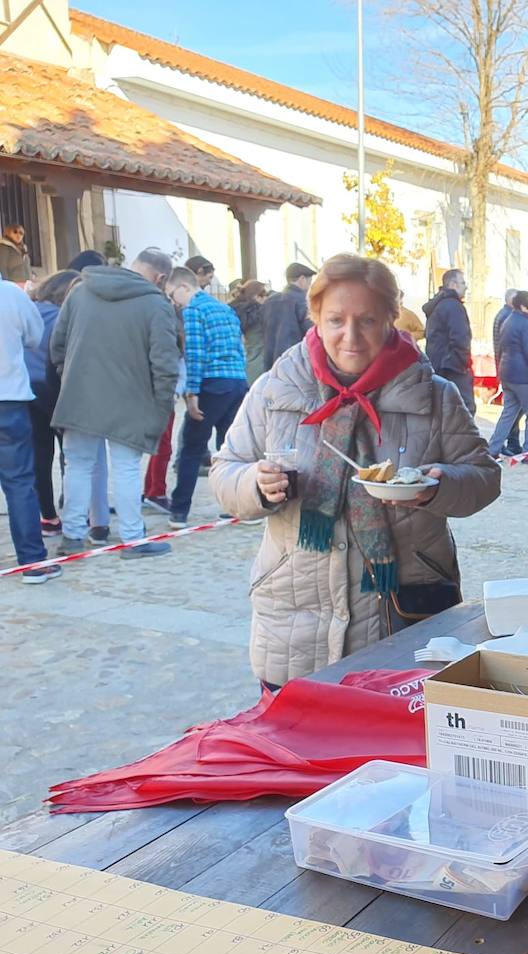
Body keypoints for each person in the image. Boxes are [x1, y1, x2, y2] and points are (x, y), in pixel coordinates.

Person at [212, 253, 501, 689]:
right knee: (297, 752)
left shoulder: (434, 396)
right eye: (335, 320)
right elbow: (225, 471)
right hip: (295, 626)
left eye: (366, 320)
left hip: (405, 617)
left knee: (398, 751)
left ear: (391, 318)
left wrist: (438, 486)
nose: (350, 336)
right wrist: (255, 482)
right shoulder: (276, 389)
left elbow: (484, 477)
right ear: (315, 318)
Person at [50, 248, 180, 558]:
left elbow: (57, 346)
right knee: (126, 469)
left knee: (77, 467)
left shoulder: (79, 292)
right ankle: (133, 539)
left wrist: (72, 379)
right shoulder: (155, 304)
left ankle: (72, 536)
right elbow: (165, 364)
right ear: (161, 278)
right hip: (131, 401)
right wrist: (161, 406)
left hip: (79, 396)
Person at [162, 267, 247, 528]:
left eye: (172, 294)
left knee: (191, 446)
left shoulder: (193, 310)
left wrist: (191, 393)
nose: (173, 301)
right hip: (237, 381)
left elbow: (196, 355)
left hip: (212, 383)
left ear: (184, 287)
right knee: (229, 449)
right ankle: (237, 507)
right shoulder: (224, 308)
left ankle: (179, 510)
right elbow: (238, 347)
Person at [0, 277, 59, 583]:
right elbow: (35, 337)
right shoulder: (12, 294)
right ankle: (32, 562)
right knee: (20, 482)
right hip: (9, 400)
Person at [27, 270, 80, 535]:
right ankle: (71, 508)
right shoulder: (66, 316)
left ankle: (47, 516)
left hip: (27, 392)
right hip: (57, 391)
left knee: (40, 456)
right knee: (70, 455)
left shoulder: (29, 308)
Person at [488, 290, 528, 463]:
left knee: (509, 412)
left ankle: (492, 449)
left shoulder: (507, 320)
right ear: (523, 306)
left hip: (508, 373)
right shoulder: (524, 325)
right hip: (524, 378)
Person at [422, 269, 475, 411]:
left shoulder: (437, 305)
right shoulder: (453, 306)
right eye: (463, 283)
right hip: (453, 366)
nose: (466, 286)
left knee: (442, 408)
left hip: (438, 364)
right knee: (464, 408)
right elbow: (460, 338)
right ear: (453, 284)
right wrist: (464, 363)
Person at [262, 262, 314, 370]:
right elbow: (311, 332)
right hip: (296, 361)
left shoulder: (269, 301)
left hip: (271, 360)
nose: (310, 286)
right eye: (310, 281)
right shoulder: (303, 301)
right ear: (302, 279)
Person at [492, 288, 523, 457]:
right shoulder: (508, 317)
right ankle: (503, 443)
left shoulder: (503, 315)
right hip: (511, 369)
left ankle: (511, 442)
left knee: (514, 408)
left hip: (506, 367)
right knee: (513, 409)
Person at [230, 279, 269, 383]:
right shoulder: (260, 314)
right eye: (265, 295)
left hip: (241, 366)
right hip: (258, 367)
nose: (267, 298)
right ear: (257, 297)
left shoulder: (235, 311)